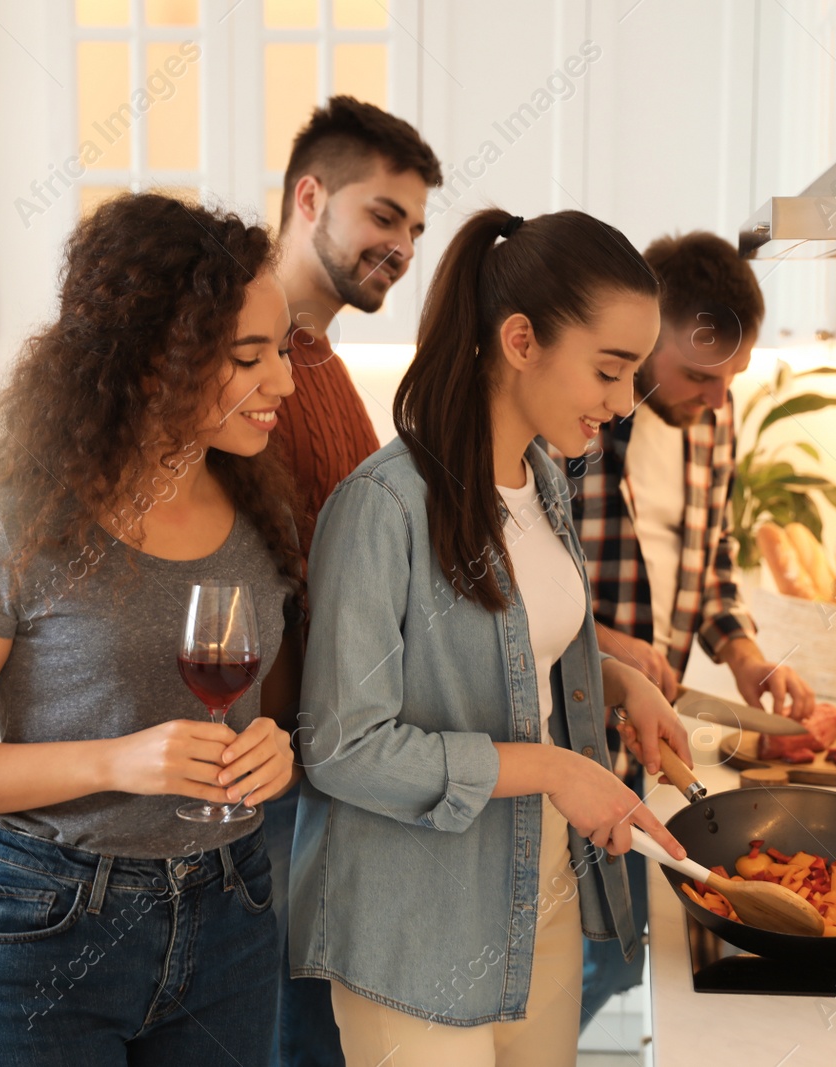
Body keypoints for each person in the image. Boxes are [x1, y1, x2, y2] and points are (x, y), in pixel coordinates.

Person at [0, 193, 302, 1067]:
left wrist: (275, 748)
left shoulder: (262, 515)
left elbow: (279, 713)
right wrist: (116, 762)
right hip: (50, 924)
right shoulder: (16, 525)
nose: (284, 382)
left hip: (234, 911)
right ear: (155, 363)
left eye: (283, 349)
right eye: (248, 356)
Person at [290, 208, 692, 1067]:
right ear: (520, 340)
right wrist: (553, 767)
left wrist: (622, 686)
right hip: (419, 920)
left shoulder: (543, 481)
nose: (625, 403)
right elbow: (342, 747)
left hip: (537, 883)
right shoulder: (383, 507)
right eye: (610, 371)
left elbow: (523, 656)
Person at [566, 230, 816, 1029]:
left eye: (730, 379)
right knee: (576, 955)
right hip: (565, 739)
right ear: (647, 333)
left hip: (646, 737)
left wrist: (743, 655)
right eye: (702, 375)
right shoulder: (575, 416)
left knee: (620, 946)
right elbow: (502, 584)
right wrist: (607, 644)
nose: (717, 398)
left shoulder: (714, 416)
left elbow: (709, 567)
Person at [265, 95, 442, 1067]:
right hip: (266, 776)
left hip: (321, 761)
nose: (402, 245)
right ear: (309, 196)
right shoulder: (240, 362)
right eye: (384, 215)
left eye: (415, 228)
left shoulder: (325, 362)